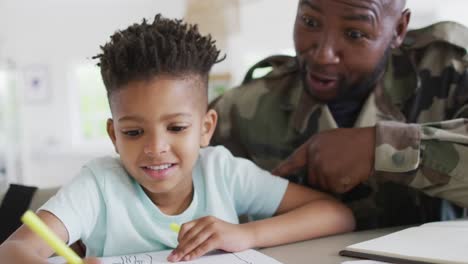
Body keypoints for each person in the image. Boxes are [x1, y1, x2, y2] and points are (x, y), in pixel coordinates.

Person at [0, 14, 355, 264]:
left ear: (205, 127)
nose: (155, 148)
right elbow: (12, 251)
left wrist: (246, 235)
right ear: (113, 135)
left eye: (176, 128)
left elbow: (337, 215)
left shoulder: (223, 172)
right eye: (134, 132)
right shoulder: (98, 185)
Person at [211, 0, 468, 230]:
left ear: (398, 30)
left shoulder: (450, 73)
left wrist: (383, 147)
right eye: (310, 22)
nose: (323, 55)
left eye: (354, 34)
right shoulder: (240, 109)